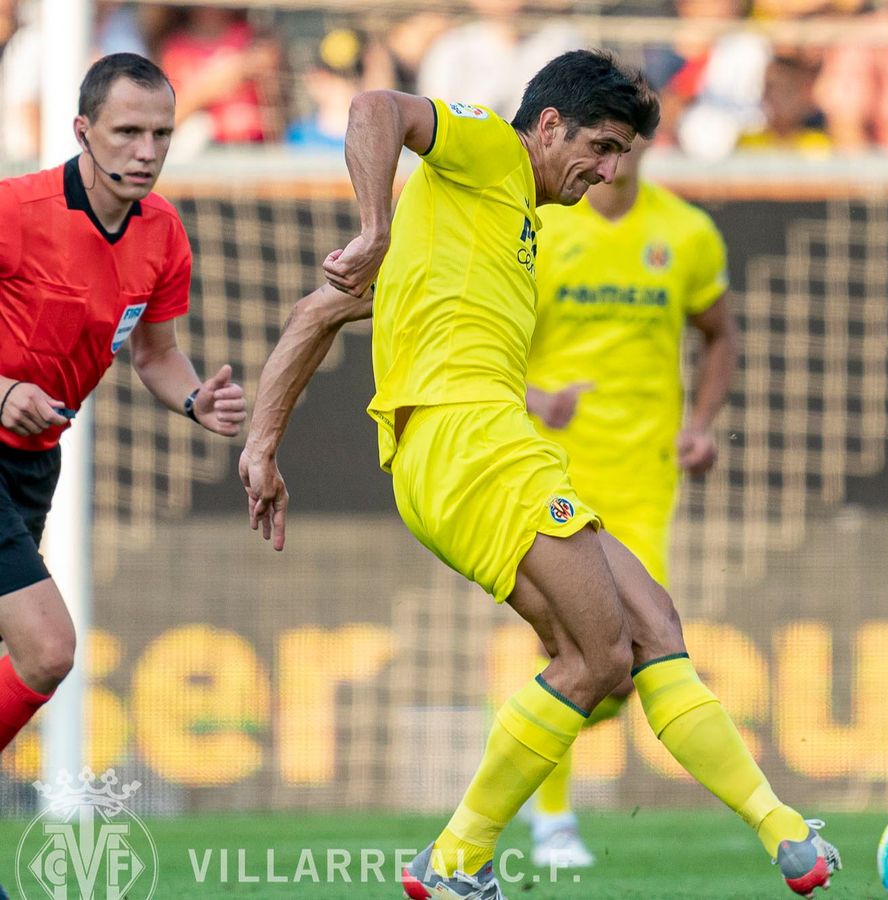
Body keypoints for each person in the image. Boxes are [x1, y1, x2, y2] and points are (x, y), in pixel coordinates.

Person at [235, 50, 837, 900]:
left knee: (649, 631)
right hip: (468, 441)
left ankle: (785, 837)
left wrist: (262, 446)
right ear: (548, 126)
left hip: (476, 447)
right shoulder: (489, 152)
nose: (609, 169)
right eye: (602, 144)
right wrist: (370, 224)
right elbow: (376, 106)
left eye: (624, 153)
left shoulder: (497, 222)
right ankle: (454, 859)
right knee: (598, 657)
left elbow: (317, 314)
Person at [0, 50, 245, 794]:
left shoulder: (163, 233)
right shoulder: (17, 211)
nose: (146, 153)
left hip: (35, 462)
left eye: (162, 134)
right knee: (47, 649)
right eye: (127, 132)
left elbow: (156, 351)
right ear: (82, 129)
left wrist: (198, 400)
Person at [519, 136, 738, 867]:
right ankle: (552, 822)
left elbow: (718, 335)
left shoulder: (686, 233)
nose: (615, 152)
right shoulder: (539, 226)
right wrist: (534, 398)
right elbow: (480, 340)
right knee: (573, 648)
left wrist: (700, 426)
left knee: (620, 667)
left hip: (645, 484)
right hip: (553, 473)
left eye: (629, 134)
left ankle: (519, 737)